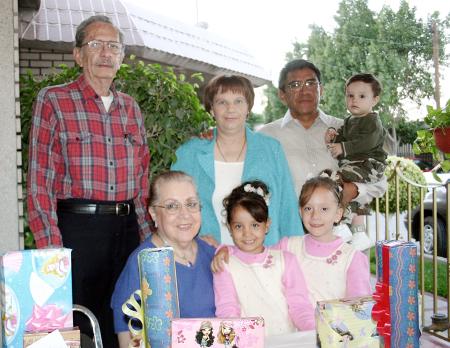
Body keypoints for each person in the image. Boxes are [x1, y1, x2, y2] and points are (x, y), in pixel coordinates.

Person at [27, 15, 150, 347]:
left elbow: (141, 184)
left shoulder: (131, 109)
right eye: (96, 44)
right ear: (78, 54)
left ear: (122, 56)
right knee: (78, 328)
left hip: (126, 233)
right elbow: (40, 184)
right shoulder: (53, 100)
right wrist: (52, 255)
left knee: (125, 325)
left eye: (114, 46)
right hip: (77, 232)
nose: (106, 53)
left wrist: (149, 244)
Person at [259, 59, 386, 250]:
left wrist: (355, 190)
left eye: (311, 83)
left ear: (321, 89)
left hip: (341, 245)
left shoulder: (345, 129)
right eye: (295, 85)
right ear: (282, 95)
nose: (304, 90)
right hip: (288, 245)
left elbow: (380, 181)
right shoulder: (266, 136)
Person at [171, 75, 302, 247]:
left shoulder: (271, 150)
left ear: (248, 107)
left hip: (264, 263)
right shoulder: (189, 153)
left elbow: (288, 210)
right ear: (211, 109)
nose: (230, 109)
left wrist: (296, 258)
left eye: (238, 101)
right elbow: (171, 210)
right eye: (221, 102)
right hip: (208, 262)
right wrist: (194, 242)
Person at [212, 174, 371, 306]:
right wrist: (226, 250)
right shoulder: (288, 246)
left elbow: (359, 309)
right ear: (300, 212)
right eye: (308, 208)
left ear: (338, 213)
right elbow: (254, 253)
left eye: (324, 209)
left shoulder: (352, 258)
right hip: (295, 336)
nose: (315, 216)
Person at [111, 171, 216, 348]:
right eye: (172, 206)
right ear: (153, 213)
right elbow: (128, 342)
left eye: (191, 204)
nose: (185, 214)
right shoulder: (142, 263)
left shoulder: (212, 254)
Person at [213, 181, 315, 336]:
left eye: (255, 225)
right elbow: (227, 309)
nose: (247, 234)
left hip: (286, 342)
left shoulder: (285, 260)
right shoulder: (224, 263)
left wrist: (314, 332)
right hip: (247, 343)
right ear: (229, 228)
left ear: (267, 225)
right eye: (239, 226)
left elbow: (300, 306)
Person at [325, 73, 387, 249]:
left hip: (370, 164)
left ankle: (341, 223)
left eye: (361, 96)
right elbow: (340, 143)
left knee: (334, 179)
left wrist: (343, 147)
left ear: (374, 100)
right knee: (355, 196)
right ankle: (359, 232)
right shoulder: (349, 121)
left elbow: (367, 142)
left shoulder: (372, 120)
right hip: (356, 165)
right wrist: (333, 138)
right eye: (350, 95)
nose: (354, 100)